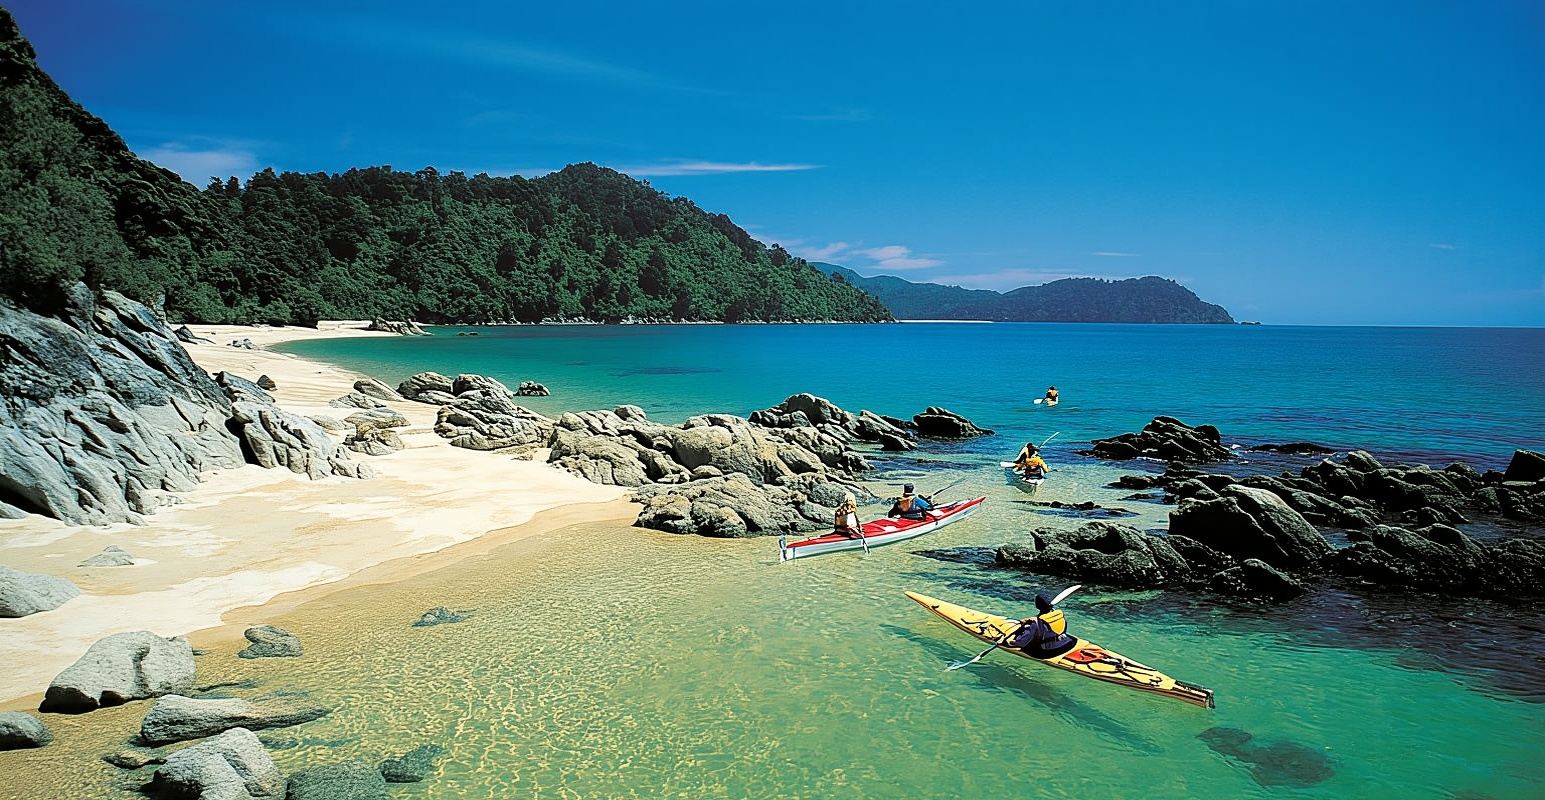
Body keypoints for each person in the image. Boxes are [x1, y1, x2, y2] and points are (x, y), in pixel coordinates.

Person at [1007, 591, 1077, 659]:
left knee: (1025, 646)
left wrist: (1013, 641)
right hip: (1067, 644)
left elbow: (1022, 643)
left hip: (1050, 651)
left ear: (1037, 605)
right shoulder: (1059, 614)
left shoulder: (1036, 623)